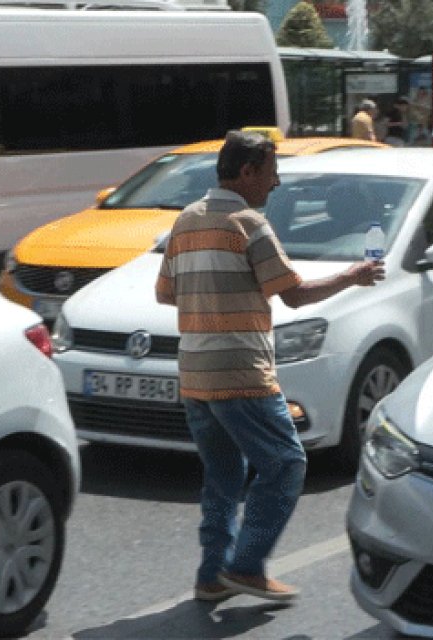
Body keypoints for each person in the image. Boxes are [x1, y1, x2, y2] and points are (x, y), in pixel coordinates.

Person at [154, 130, 384, 603]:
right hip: (241, 372)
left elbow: (165, 292)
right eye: (272, 172)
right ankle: (248, 566)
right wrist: (354, 275)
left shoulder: (187, 221)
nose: (276, 183)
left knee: (222, 479)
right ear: (247, 172)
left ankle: (211, 575)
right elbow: (295, 294)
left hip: (195, 374)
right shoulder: (248, 223)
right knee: (286, 464)